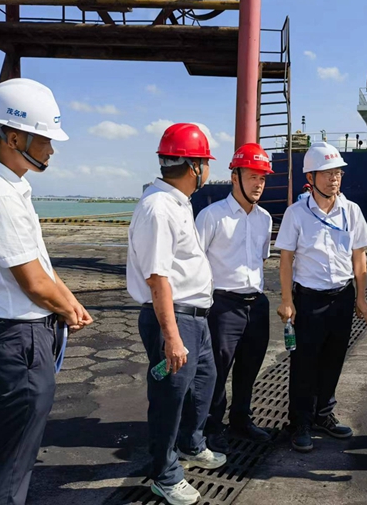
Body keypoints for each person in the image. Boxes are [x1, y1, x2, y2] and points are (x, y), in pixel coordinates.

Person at [0, 78, 93, 505]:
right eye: (45, 138)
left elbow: (40, 264)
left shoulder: (11, 188)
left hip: (26, 337)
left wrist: (69, 302)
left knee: (18, 449)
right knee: (14, 457)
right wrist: (67, 309)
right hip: (19, 340)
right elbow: (33, 282)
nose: (51, 149)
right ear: (14, 137)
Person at [126, 123, 226, 505]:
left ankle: (191, 444)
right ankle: (164, 475)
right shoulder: (158, 208)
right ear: (194, 166)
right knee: (169, 398)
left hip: (195, 317)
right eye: (206, 162)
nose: (209, 170)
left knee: (204, 383)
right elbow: (158, 278)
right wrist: (171, 336)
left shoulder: (178, 203)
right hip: (175, 318)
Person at [275, 142, 367, 453]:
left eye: (338, 173)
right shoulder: (296, 213)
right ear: (311, 177)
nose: (334, 178)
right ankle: (300, 422)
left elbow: (359, 257)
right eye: (328, 173)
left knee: (334, 359)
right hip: (308, 300)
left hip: (342, 297)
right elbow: (286, 260)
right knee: (304, 363)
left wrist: (361, 298)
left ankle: (323, 415)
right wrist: (287, 300)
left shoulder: (352, 211)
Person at [195, 143, 274, 454]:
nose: (258, 184)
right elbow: (195, 262)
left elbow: (261, 259)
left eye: (262, 178)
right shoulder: (211, 216)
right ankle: (212, 426)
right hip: (222, 305)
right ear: (234, 176)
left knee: (249, 368)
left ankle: (241, 419)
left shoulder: (264, 218)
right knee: (216, 371)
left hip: (256, 303)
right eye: (253, 176)